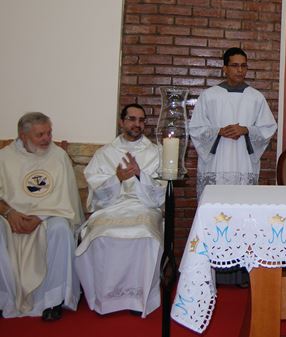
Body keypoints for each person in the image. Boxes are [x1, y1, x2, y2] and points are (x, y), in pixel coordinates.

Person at [75, 103, 164, 317]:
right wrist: (117, 178)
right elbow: (96, 192)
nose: (137, 124)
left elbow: (160, 194)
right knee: (100, 235)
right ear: (121, 122)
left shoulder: (156, 152)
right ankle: (106, 298)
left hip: (143, 207)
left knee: (144, 233)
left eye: (141, 120)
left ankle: (137, 298)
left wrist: (140, 175)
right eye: (132, 119)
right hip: (110, 208)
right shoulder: (104, 153)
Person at [0, 112, 84, 320]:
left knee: (61, 229)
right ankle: (4, 298)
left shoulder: (58, 156)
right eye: (40, 135)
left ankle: (53, 300)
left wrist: (40, 217)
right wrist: (9, 213)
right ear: (22, 135)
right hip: (12, 217)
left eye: (49, 133)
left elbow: (66, 198)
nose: (47, 139)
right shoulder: (4, 158)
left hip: (49, 216)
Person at [190, 47, 277, 197]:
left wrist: (246, 130)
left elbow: (268, 128)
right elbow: (196, 128)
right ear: (225, 68)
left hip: (243, 162)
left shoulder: (256, 97)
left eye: (243, 66)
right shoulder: (209, 96)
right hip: (217, 163)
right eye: (235, 65)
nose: (240, 70)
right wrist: (219, 131)